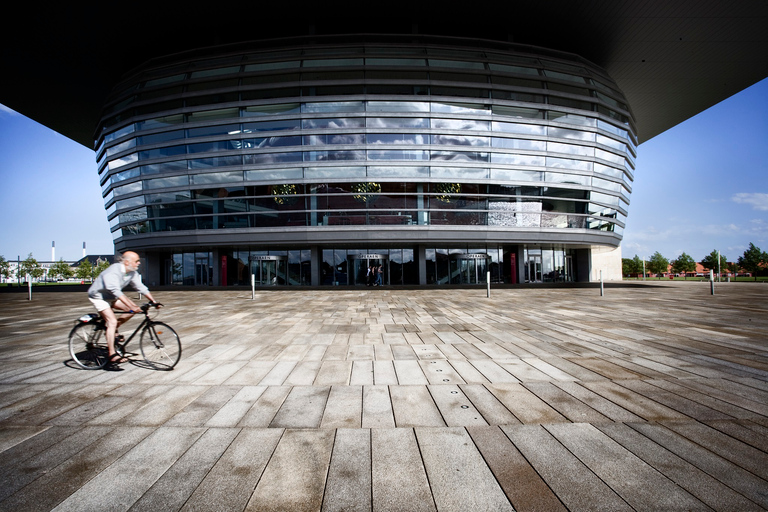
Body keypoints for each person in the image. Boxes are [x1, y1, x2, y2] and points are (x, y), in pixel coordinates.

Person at [87, 251, 159, 368]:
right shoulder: (113, 271)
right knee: (112, 321)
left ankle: (113, 330)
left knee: (132, 311)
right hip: (98, 296)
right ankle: (112, 354)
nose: (139, 263)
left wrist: (153, 301)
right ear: (127, 262)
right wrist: (131, 306)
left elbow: (140, 287)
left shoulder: (132, 273)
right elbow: (116, 291)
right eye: (136, 261)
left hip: (111, 297)